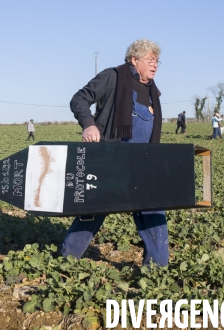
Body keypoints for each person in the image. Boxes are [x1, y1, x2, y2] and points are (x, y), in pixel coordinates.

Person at [62, 39, 170, 267]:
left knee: (153, 207)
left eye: (157, 61)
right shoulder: (113, 77)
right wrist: (89, 124)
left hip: (143, 161)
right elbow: (79, 99)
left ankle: (158, 268)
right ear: (134, 59)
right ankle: (67, 259)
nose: (155, 65)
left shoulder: (152, 90)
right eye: (150, 60)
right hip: (112, 157)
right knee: (95, 209)